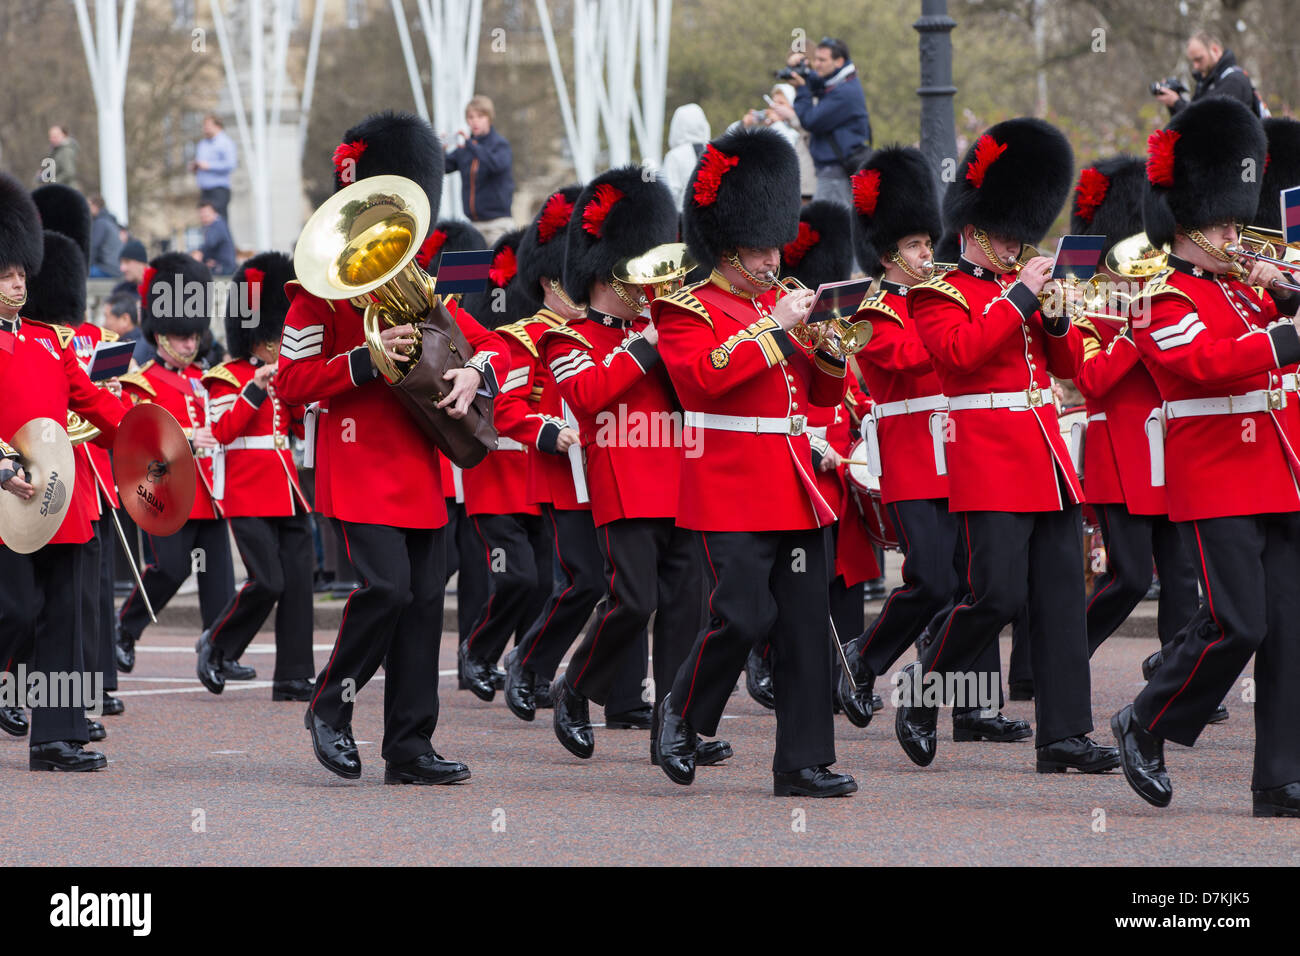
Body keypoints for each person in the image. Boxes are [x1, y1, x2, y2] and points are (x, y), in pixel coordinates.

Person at [277, 110, 510, 786]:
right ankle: (330, 705)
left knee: (421, 607)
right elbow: (291, 383)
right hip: (357, 464)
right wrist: (363, 360)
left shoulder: (419, 290)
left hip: (421, 469)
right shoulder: (316, 295)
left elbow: (487, 342)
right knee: (386, 589)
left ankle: (409, 745)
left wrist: (472, 371)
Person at [898, 117, 1120, 775]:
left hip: (1045, 454)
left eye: (1022, 234)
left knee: (1059, 601)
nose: (1016, 244)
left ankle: (1063, 738)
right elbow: (963, 354)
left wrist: (1054, 315)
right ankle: (922, 695)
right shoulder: (937, 293)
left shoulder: (1018, 285)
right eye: (1005, 235)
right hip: (989, 456)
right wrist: (1022, 293)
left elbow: (1067, 366)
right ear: (971, 231)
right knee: (993, 596)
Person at [652, 126, 857, 797]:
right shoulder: (684, 308)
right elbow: (704, 380)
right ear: (732, 245)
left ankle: (802, 762)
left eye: (778, 244)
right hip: (730, 480)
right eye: (765, 247)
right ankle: (680, 715)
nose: (776, 256)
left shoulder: (780, 299)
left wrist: (829, 347)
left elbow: (822, 395)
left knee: (801, 626)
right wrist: (772, 328)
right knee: (740, 615)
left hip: (793, 480)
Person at [1111, 97, 1300, 817]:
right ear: (1190, 225)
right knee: (1238, 622)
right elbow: (1204, 365)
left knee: (1288, 632)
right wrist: (1286, 334)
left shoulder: (1255, 295)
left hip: (1281, 472)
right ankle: (1145, 720)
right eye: (1224, 223)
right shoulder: (1161, 298)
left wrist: (1283, 299)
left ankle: (1279, 778)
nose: (1236, 233)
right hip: (1217, 475)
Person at [837, 146, 1020, 743]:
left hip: (961, 448)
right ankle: (864, 658)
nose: (927, 254)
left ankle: (973, 708)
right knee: (931, 581)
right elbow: (923, 358)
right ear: (890, 254)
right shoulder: (872, 311)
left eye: (926, 243)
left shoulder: (943, 297)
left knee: (975, 581)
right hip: (913, 453)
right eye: (916, 247)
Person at [540, 166, 722, 765]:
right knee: (634, 601)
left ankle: (677, 728)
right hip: (622, 478)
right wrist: (643, 344)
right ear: (604, 272)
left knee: (686, 607)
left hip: (679, 476)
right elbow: (587, 396)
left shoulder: (668, 331)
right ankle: (576, 687)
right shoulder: (569, 339)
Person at [497, 186, 652, 728]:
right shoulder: (529, 336)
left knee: (627, 585)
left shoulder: (624, 332)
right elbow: (508, 408)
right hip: (568, 475)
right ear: (548, 281)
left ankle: (626, 698)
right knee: (586, 581)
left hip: (620, 467)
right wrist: (547, 432)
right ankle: (529, 665)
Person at [0, 172, 126, 770]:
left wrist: (149, 437)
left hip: (55, 494)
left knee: (63, 617)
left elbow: (97, 406)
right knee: (17, 611)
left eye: (22, 273)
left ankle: (54, 737)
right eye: (7, 274)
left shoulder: (48, 343)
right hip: (4, 495)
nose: (18, 283)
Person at [1066, 156, 1203, 673]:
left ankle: (1177, 669)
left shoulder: (1164, 299)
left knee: (1180, 570)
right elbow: (1092, 379)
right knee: (1128, 576)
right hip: (1118, 456)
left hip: (1167, 449)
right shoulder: (1085, 308)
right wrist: (1132, 334)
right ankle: (1068, 651)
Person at [195, 252, 316, 701]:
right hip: (247, 492)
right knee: (268, 581)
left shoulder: (286, 373)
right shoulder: (225, 378)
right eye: (276, 336)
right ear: (258, 339)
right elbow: (224, 432)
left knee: (299, 583)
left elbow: (297, 429)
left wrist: (304, 397)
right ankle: (217, 642)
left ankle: (293, 675)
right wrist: (255, 388)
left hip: (288, 490)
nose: (282, 342)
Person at [115, 253, 239, 676]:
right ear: (162, 334)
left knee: (219, 576)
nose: (190, 343)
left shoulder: (203, 381)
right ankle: (125, 629)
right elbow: (138, 436)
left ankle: (218, 652)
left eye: (194, 336)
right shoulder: (143, 381)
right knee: (169, 568)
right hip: (164, 492)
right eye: (182, 336)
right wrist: (185, 439)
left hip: (206, 492)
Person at [786, 38, 871, 208]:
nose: (816, 65)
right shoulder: (841, 81)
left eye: (822, 60)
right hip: (832, 170)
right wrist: (800, 70)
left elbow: (810, 120)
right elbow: (818, 83)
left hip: (835, 173)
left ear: (839, 61)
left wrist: (801, 89)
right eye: (815, 59)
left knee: (829, 228)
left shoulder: (844, 93)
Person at [443, 95, 515, 245]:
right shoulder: (465, 149)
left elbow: (496, 166)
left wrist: (471, 145)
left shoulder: (500, 145)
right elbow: (444, 167)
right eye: (470, 117)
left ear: (489, 118)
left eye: (480, 116)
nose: (474, 121)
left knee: (497, 267)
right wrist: (439, 150)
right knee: (472, 268)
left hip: (498, 225)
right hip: (474, 225)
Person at [1154, 32, 1259, 117]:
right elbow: (1189, 128)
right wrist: (1173, 104)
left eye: (1199, 59)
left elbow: (1208, 120)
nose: (1195, 66)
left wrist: (1177, 103)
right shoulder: (1207, 82)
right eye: (1193, 61)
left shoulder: (1234, 80)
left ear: (1215, 50)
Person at [749, 83, 816, 201]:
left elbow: (788, 146)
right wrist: (747, 125)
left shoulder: (801, 127)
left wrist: (778, 124)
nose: (776, 108)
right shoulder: (771, 126)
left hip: (801, 188)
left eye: (781, 104)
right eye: (774, 104)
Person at [661, 103, 711, 211]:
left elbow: (670, 194)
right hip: (710, 223)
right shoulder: (713, 153)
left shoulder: (674, 156)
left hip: (683, 222)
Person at [189, 114, 237, 222]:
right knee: (207, 222)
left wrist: (209, 166)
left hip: (219, 189)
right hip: (205, 189)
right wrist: (196, 167)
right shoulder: (202, 144)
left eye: (207, 125)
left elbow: (230, 164)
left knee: (219, 221)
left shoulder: (225, 143)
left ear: (217, 126)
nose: (204, 128)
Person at [194, 200, 236, 275]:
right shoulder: (212, 225)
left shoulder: (217, 225)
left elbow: (210, 242)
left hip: (224, 268)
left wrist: (199, 252)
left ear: (215, 213)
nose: (203, 215)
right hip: (220, 266)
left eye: (206, 213)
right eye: (201, 213)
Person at [87, 195, 123, 278]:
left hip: (107, 269)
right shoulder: (109, 221)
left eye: (89, 205)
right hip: (115, 268)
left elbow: (93, 247)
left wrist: (86, 267)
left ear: (95, 206)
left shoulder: (100, 223)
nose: (87, 208)